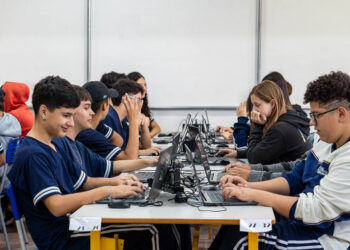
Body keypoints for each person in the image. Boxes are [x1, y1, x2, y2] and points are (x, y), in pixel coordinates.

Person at [8, 76, 184, 250]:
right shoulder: (33, 154)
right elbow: (56, 206)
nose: (70, 122)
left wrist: (118, 185)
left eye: (72, 116)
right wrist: (108, 191)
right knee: (154, 229)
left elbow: (84, 183)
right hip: (63, 236)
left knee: (172, 224)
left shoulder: (54, 144)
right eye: (66, 116)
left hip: (75, 222)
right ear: (44, 111)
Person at [210, 71, 350, 250]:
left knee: (243, 238)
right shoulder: (326, 142)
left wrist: (253, 194)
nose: (312, 123)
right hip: (308, 222)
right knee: (238, 223)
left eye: (316, 115)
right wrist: (247, 186)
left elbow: (315, 210)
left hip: (329, 238)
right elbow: (294, 178)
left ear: (341, 114)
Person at [53, 85, 158, 177]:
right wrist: (134, 122)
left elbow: (111, 161)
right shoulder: (86, 134)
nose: (92, 113)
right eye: (86, 108)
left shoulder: (79, 144)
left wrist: (150, 161)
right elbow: (128, 157)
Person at [216, 80, 312, 164]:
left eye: (257, 105)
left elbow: (254, 158)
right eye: (253, 105)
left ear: (272, 104)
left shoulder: (281, 129)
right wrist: (239, 153)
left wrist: (257, 125)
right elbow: (266, 150)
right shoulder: (287, 119)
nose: (253, 110)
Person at [76, 81, 159, 160]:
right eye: (139, 100)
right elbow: (129, 158)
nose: (141, 104)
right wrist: (133, 121)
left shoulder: (118, 121)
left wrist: (144, 127)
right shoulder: (109, 118)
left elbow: (134, 146)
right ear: (127, 99)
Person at [128, 72, 161, 137]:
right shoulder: (129, 107)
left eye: (145, 85)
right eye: (140, 85)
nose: (144, 88)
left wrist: (148, 136)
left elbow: (157, 128)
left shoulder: (143, 105)